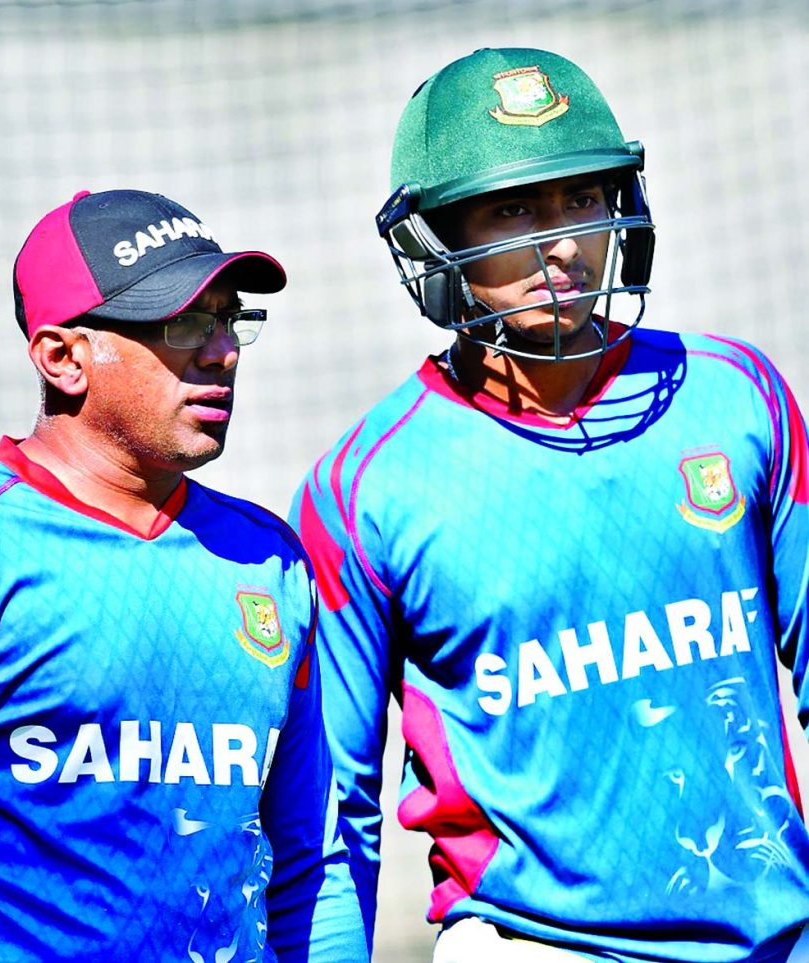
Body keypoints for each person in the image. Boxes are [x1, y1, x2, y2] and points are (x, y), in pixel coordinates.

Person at [289, 48, 809, 962]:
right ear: (436, 240)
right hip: (533, 942)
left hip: (775, 932)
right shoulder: (367, 484)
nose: (559, 242)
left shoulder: (737, 396)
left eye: (581, 198)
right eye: (512, 208)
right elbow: (334, 810)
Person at [0, 188, 366, 962]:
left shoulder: (268, 559)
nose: (223, 351)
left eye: (229, 318)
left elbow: (310, 862)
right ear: (62, 358)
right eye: (182, 323)